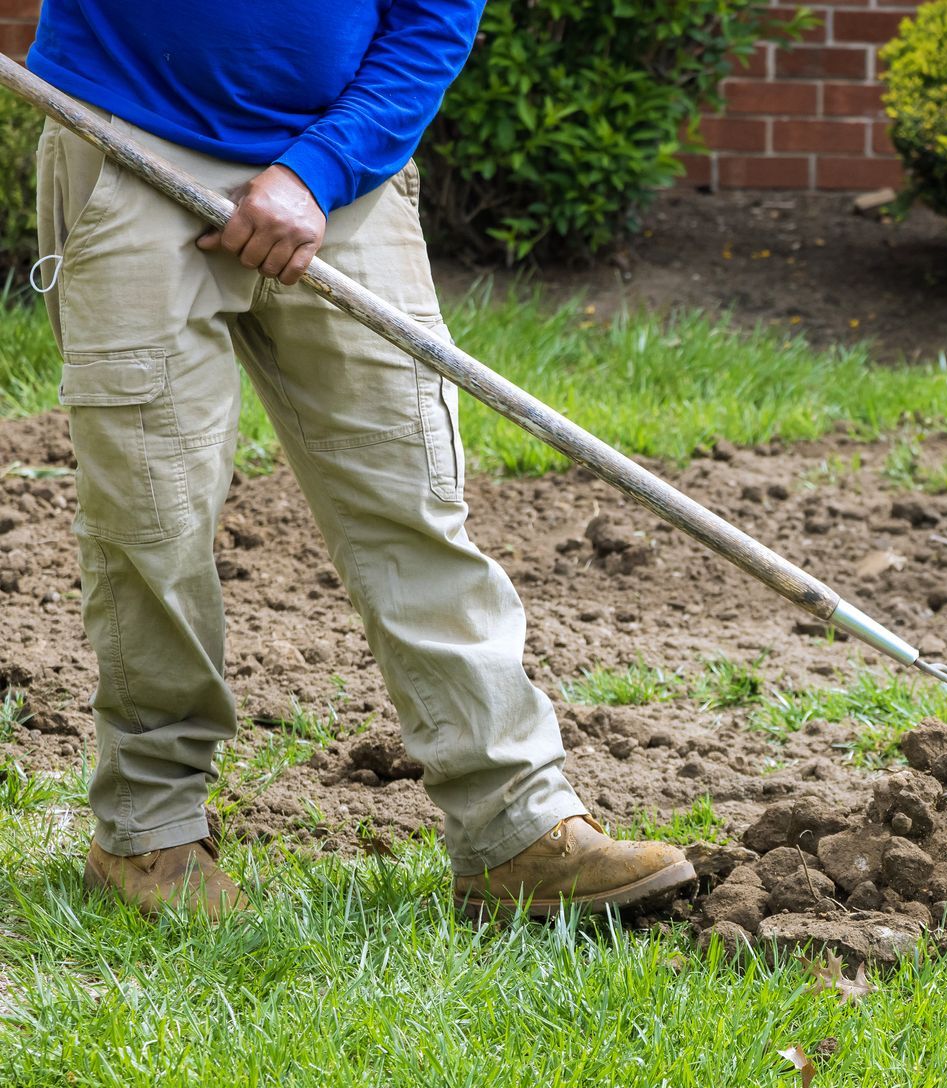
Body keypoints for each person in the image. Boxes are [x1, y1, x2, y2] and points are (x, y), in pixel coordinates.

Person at [27, 1, 693, 921]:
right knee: (153, 514)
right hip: (130, 144)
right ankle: (149, 830)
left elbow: (435, 13)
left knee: (411, 497)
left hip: (342, 168)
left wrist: (319, 170)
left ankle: (516, 829)